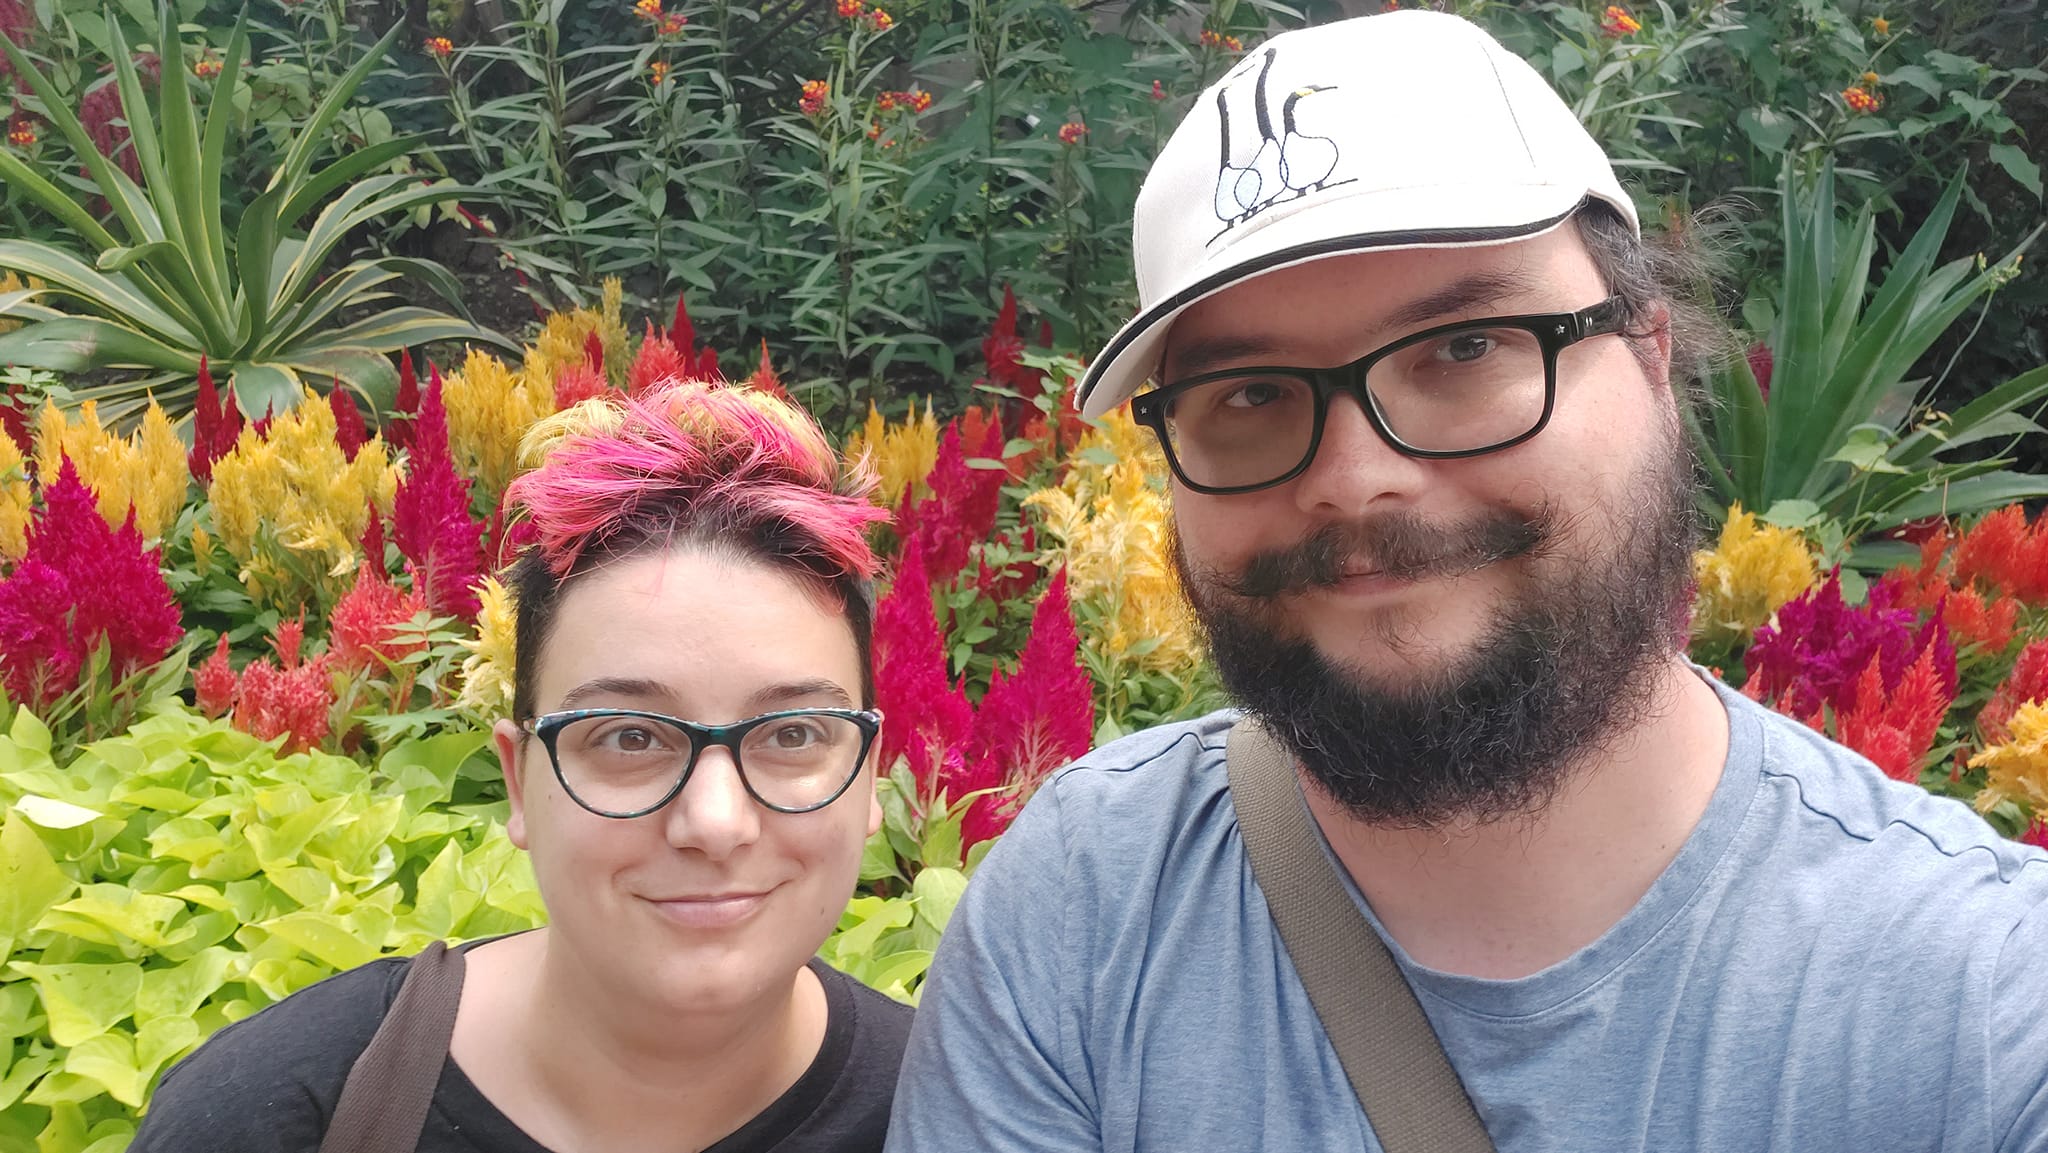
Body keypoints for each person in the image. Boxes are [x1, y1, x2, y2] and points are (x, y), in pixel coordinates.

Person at [886, 10, 2048, 1152]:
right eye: (1247, 393)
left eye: (1463, 349)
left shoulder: (1987, 1009)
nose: (1353, 480)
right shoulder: (1085, 905)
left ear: (1649, 360)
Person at [135, 380, 913, 1152]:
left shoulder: (958, 1106)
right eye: (629, 737)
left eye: (793, 733)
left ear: (869, 771)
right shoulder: (277, 1112)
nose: (714, 822)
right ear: (519, 779)